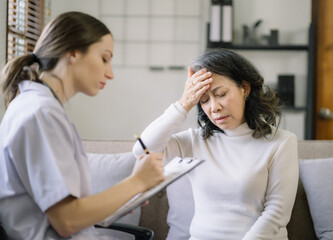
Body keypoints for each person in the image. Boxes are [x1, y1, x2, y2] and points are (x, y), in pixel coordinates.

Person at [0, 11, 164, 240]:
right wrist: (136, 182)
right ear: (73, 53)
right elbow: (67, 220)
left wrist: (127, 192)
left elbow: (66, 206)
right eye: (104, 58)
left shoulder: (36, 105)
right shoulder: (42, 113)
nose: (111, 73)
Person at [133, 48, 299, 240]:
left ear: (244, 88)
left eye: (220, 94)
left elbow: (277, 213)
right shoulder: (194, 141)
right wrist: (184, 104)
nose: (214, 107)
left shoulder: (281, 142)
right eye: (203, 100)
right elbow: (141, 150)